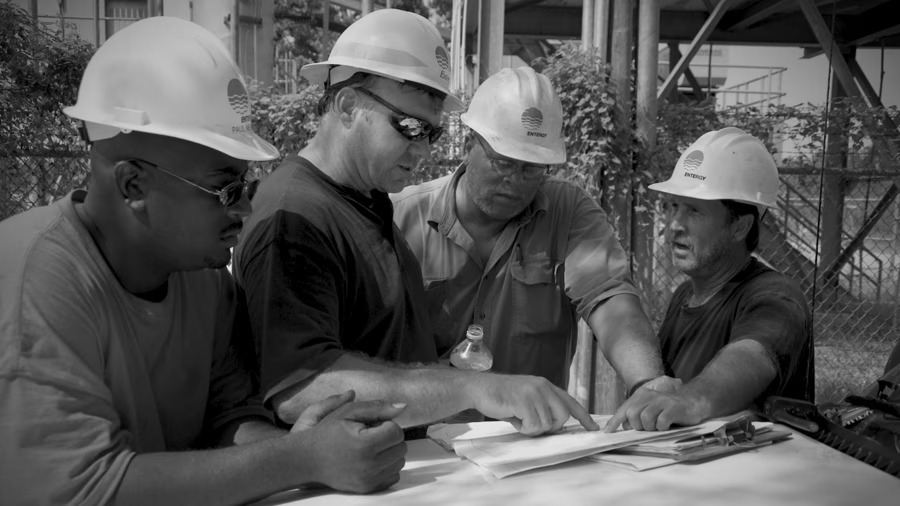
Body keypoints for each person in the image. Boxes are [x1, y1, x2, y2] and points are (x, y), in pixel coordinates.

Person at [0, 17, 410, 505]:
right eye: (225, 188)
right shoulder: (36, 277)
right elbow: (81, 488)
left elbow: (229, 416)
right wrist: (300, 459)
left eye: (247, 186)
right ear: (134, 185)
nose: (244, 208)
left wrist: (304, 447)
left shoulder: (207, 283)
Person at [233, 9, 597, 437]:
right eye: (409, 127)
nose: (423, 151)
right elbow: (301, 388)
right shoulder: (294, 220)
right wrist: (472, 389)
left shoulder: (365, 201)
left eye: (433, 133)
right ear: (348, 105)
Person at [391, 66, 671, 396]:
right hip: (426, 438)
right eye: (504, 162)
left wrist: (648, 385)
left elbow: (610, 301)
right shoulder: (400, 217)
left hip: (531, 438)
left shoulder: (568, 213)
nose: (516, 179)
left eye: (532, 167)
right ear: (470, 143)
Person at [605, 127, 814, 432]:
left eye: (693, 210)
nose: (674, 224)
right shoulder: (685, 295)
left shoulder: (775, 296)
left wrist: (691, 401)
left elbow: (750, 358)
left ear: (740, 226)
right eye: (672, 206)